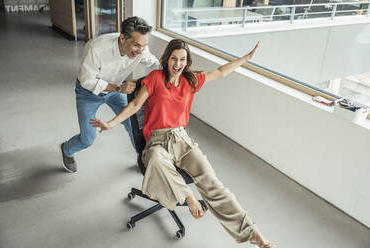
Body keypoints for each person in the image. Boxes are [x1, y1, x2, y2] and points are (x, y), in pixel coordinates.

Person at [90, 39, 275, 247]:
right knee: (155, 159)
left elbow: (221, 71)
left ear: (187, 62)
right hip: (157, 141)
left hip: (182, 140)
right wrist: (111, 124)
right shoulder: (154, 78)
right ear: (167, 59)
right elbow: (134, 104)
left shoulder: (191, 81)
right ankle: (188, 196)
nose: (177, 64)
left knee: (214, 185)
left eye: (182, 60)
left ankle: (255, 236)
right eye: (174, 59)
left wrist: (247, 58)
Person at [60, 16, 161, 173]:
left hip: (116, 91)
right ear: (122, 38)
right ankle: (67, 149)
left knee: (134, 126)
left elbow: (155, 64)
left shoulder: (141, 49)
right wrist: (119, 88)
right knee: (87, 139)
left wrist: (177, 68)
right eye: (136, 45)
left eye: (143, 46)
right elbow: (87, 80)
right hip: (88, 93)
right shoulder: (96, 48)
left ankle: (143, 159)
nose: (141, 50)